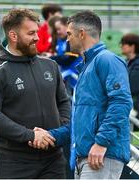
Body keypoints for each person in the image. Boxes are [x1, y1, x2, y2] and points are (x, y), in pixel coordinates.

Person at [30, 10, 133, 179]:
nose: (67, 38)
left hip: (101, 156)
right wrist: (52, 135)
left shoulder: (107, 60)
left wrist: (101, 143)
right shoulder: (87, 66)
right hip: (86, 157)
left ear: (82, 33)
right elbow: (82, 122)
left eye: (69, 34)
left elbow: (122, 103)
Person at [0, 8, 71, 179]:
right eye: (31, 33)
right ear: (13, 36)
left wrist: (57, 132)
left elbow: (64, 102)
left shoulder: (50, 65)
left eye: (37, 32)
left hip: (54, 159)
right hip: (15, 163)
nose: (37, 37)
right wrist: (30, 135)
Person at [120, 33, 139, 119]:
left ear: (132, 47)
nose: (121, 46)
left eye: (124, 44)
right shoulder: (126, 62)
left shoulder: (137, 65)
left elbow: (132, 87)